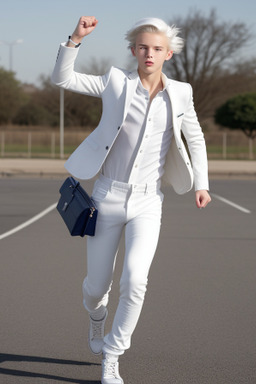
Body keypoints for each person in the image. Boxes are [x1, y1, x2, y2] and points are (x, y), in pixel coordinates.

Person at [52, 15, 211, 384]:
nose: (149, 53)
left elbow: (196, 138)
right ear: (133, 50)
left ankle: (113, 352)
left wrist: (202, 182)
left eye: (157, 48)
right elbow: (64, 79)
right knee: (96, 287)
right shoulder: (115, 83)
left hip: (147, 203)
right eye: (143, 47)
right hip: (107, 196)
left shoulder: (182, 92)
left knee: (136, 280)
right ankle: (96, 316)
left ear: (168, 53)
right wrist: (75, 39)